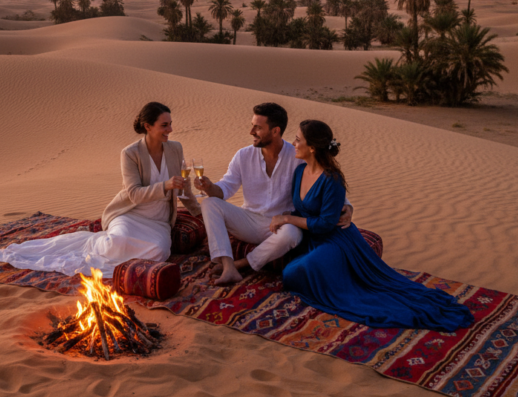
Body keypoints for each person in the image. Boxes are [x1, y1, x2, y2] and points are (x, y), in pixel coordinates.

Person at [271, 120, 473, 331]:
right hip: (312, 240)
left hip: (335, 241)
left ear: (312, 147)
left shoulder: (332, 179)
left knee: (296, 273)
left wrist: (287, 219)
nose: (293, 143)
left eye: (297, 139)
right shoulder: (299, 172)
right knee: (292, 275)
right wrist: (286, 216)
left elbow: (325, 224)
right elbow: (302, 210)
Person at [0, 102, 200, 277]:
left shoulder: (175, 148)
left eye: (171, 124)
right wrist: (165, 185)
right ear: (148, 126)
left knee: (159, 252)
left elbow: (184, 187)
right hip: (131, 214)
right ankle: (93, 243)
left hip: (158, 220)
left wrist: (200, 213)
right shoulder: (130, 153)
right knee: (115, 244)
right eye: (164, 125)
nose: (170, 130)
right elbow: (134, 194)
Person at [194, 103, 353, 285]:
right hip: (248, 219)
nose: (251, 131)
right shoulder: (243, 155)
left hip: (281, 225)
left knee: (293, 234)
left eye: (258, 127)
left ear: (275, 130)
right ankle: (228, 266)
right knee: (209, 203)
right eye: (252, 125)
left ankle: (243, 264)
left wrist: (347, 205)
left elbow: (323, 183)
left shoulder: (297, 157)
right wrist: (208, 187)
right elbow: (225, 188)